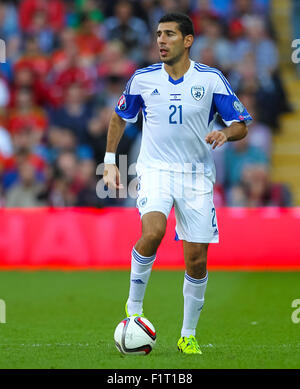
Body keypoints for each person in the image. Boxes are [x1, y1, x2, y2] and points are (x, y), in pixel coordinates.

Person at [103, 12, 252, 355]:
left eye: (169, 34)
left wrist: (225, 132)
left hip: (197, 177)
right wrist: (109, 163)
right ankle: (134, 308)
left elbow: (241, 123)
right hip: (155, 171)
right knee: (152, 232)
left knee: (197, 260)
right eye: (158, 34)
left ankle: (187, 334)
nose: (161, 40)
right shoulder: (142, 79)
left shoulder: (211, 79)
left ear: (188, 41)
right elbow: (118, 116)